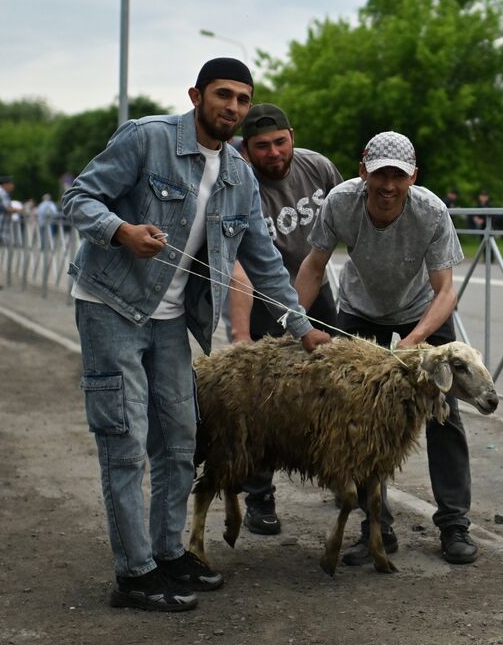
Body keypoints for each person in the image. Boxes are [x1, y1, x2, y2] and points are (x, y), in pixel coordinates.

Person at [60, 58, 332, 613]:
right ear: (197, 95)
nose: (232, 107)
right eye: (223, 95)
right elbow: (79, 199)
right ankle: (134, 574)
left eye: (242, 99)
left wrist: (304, 330)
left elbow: (266, 262)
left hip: (170, 322)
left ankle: (168, 553)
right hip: (111, 306)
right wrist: (121, 231)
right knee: (127, 441)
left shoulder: (238, 174)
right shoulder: (147, 139)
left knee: (181, 441)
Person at [295, 130, 475, 565]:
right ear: (363, 172)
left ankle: (454, 525)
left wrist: (414, 344)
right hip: (361, 307)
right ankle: (376, 526)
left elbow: (446, 291)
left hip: (422, 311)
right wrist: (295, 324)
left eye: (398, 176)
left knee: (443, 412)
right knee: (357, 419)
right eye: (380, 176)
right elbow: (314, 265)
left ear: (413, 177)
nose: (388, 186)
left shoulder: (431, 211)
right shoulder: (340, 202)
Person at [224, 102, 343, 536]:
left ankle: (341, 478)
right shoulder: (235, 181)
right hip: (258, 295)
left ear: (292, 135)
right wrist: (240, 334)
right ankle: (259, 497)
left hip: (317, 288)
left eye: (280, 142)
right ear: (246, 148)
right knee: (262, 401)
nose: (273, 153)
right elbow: (235, 265)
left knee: (336, 384)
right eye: (262, 146)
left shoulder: (319, 168)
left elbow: (346, 226)